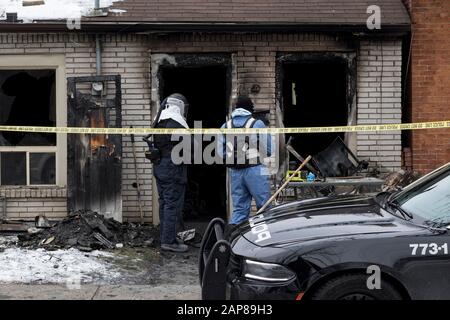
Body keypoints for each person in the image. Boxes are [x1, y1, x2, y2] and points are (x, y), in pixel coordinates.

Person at [218, 95, 272, 226]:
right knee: (264, 208)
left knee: (240, 210)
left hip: (235, 172)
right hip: (255, 170)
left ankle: (232, 241)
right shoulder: (257, 123)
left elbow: (220, 153)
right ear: (250, 109)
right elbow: (269, 150)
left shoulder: (225, 126)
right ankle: (266, 241)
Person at [153, 93, 190, 252]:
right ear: (180, 106)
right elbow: (187, 149)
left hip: (160, 166)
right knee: (172, 204)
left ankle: (165, 237)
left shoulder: (159, 121)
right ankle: (168, 241)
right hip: (172, 168)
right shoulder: (177, 123)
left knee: (164, 202)